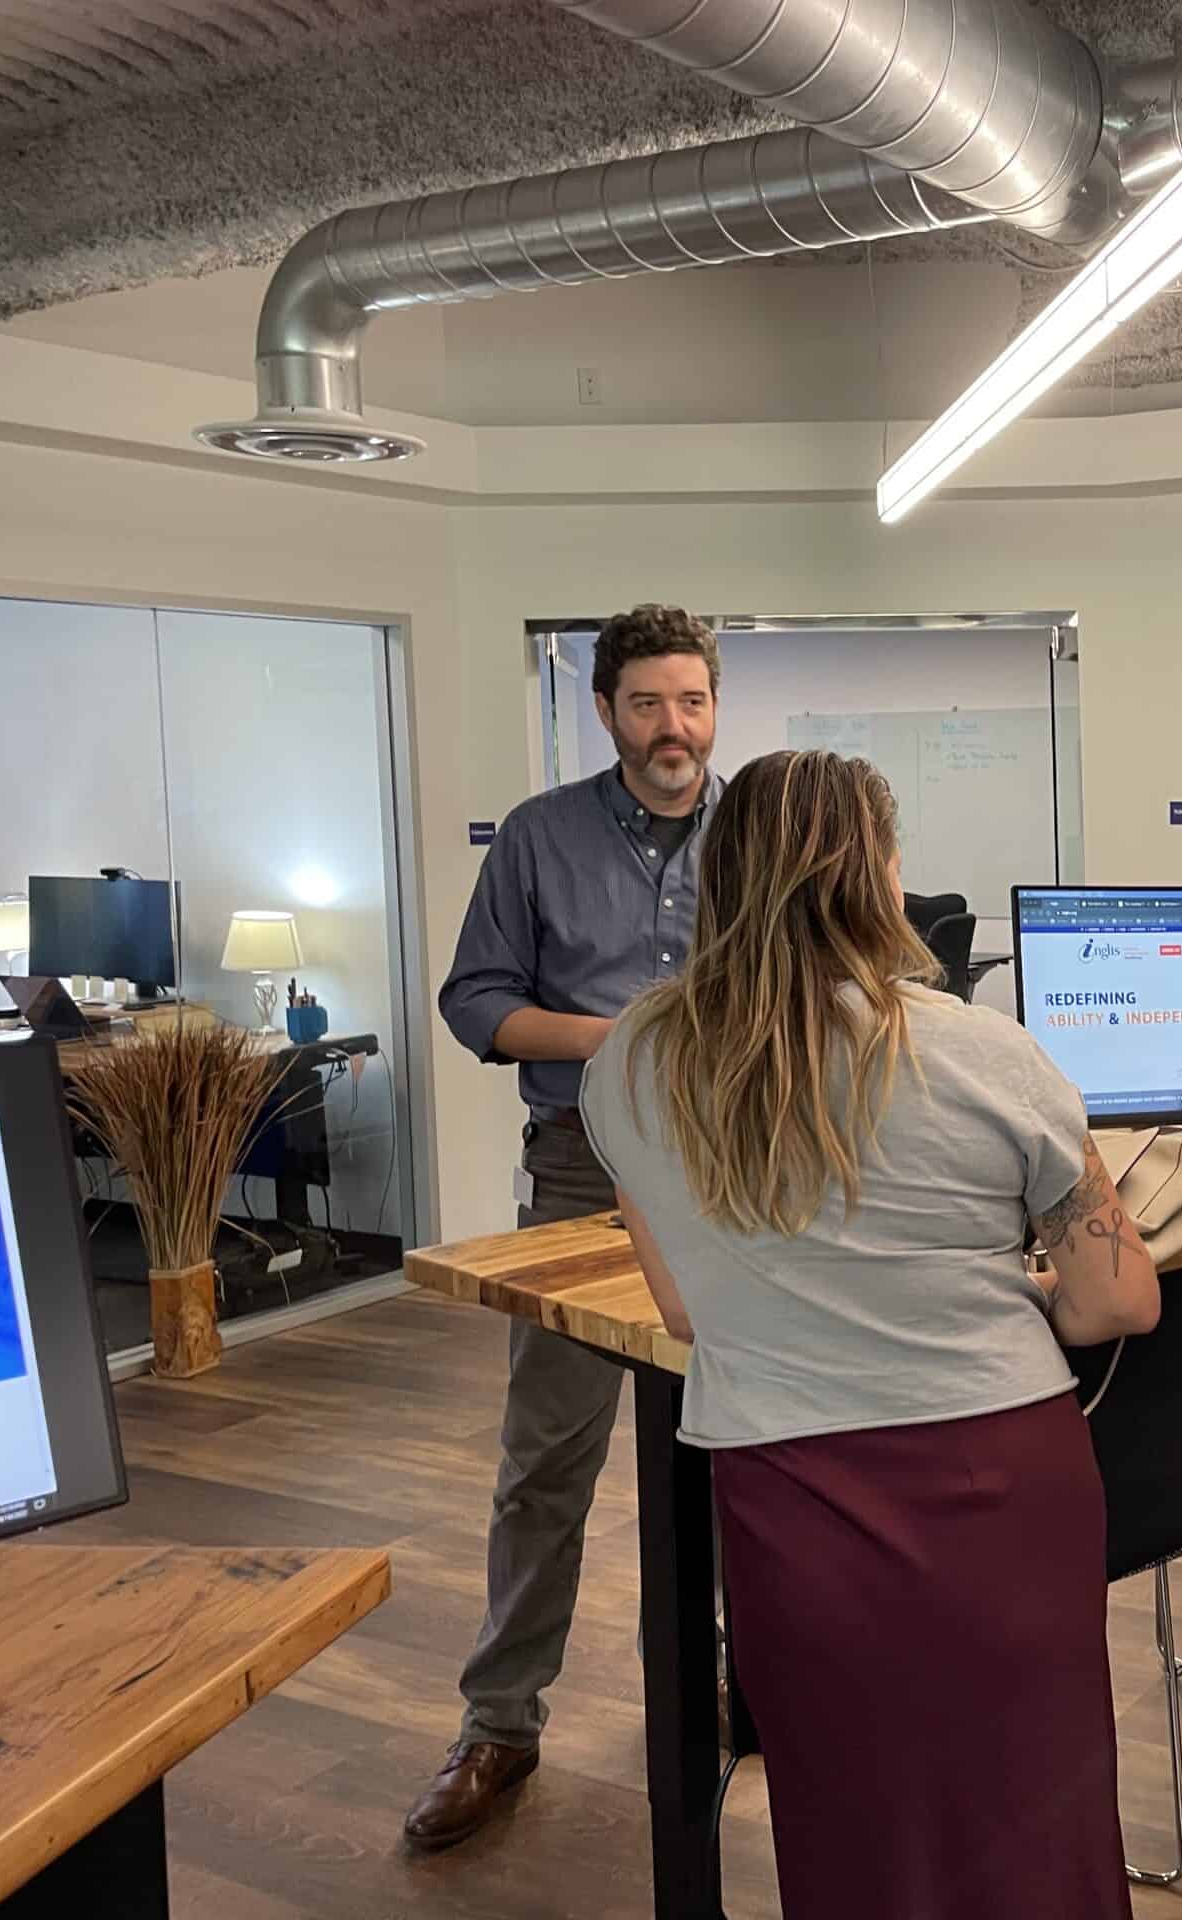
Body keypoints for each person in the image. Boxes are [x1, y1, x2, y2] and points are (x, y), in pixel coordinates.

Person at [580, 749, 1158, 1919]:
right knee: (1037, 1811)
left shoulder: (634, 1063)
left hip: (789, 1491)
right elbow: (1115, 1302)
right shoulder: (986, 1051)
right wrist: (1023, 1285)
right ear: (880, 877)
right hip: (1005, 1482)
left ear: (724, 877)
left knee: (850, 1816)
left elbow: (687, 1308)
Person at [406, 604, 724, 1848]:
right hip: (586, 1178)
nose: (672, 728)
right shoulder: (537, 839)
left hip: (732, 1177)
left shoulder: (755, 832)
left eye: (691, 701)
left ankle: (723, 1684)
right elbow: (474, 1002)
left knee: (731, 1450)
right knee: (546, 1466)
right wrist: (619, 1036)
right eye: (646, 703)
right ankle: (499, 1727)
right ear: (604, 712)